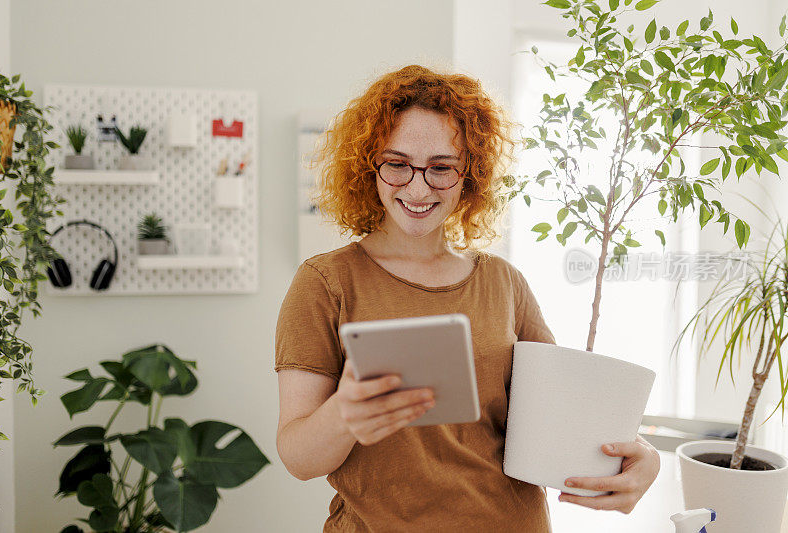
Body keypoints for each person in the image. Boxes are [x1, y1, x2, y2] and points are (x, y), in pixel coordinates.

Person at [274, 64, 660, 532]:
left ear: (469, 175)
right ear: (369, 167)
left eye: (441, 168)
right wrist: (343, 414)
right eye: (397, 164)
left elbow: (564, 418)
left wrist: (644, 459)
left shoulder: (504, 282)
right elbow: (298, 458)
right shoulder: (325, 282)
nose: (418, 187)